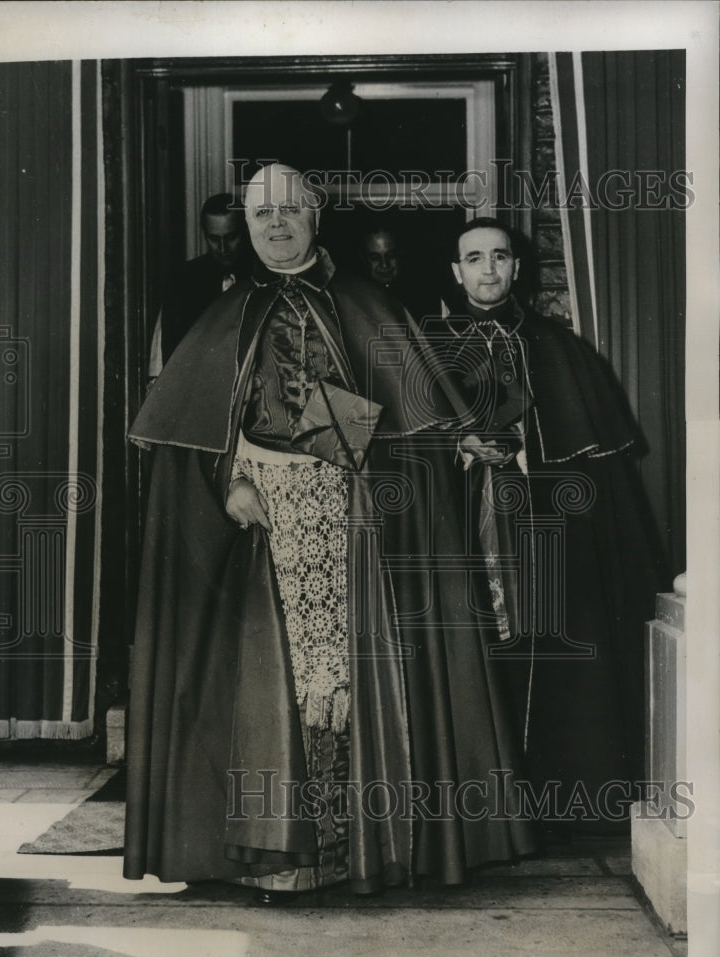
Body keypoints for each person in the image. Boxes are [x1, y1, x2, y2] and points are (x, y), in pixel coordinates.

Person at [123, 167, 535, 902]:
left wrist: (427, 451)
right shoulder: (222, 315)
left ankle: (362, 849)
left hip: (357, 520)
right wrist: (232, 482)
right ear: (246, 226)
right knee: (268, 680)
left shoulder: (367, 303)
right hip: (258, 521)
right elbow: (189, 441)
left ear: (316, 217)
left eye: (290, 210)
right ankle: (274, 851)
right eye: (260, 214)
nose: (275, 224)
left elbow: (415, 421)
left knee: (351, 677)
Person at [417, 216, 666, 831]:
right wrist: (462, 448)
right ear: (456, 272)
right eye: (474, 258)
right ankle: (480, 814)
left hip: (544, 531)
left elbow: (587, 459)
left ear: (517, 268)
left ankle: (557, 805)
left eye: (499, 257)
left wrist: (528, 450)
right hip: (464, 532)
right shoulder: (427, 345)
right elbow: (403, 446)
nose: (488, 269)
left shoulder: (559, 347)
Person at [147, 192, 252, 377]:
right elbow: (166, 358)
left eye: (231, 237)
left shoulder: (263, 277)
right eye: (214, 238)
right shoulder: (182, 281)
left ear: (245, 231)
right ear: (204, 234)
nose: (222, 248)